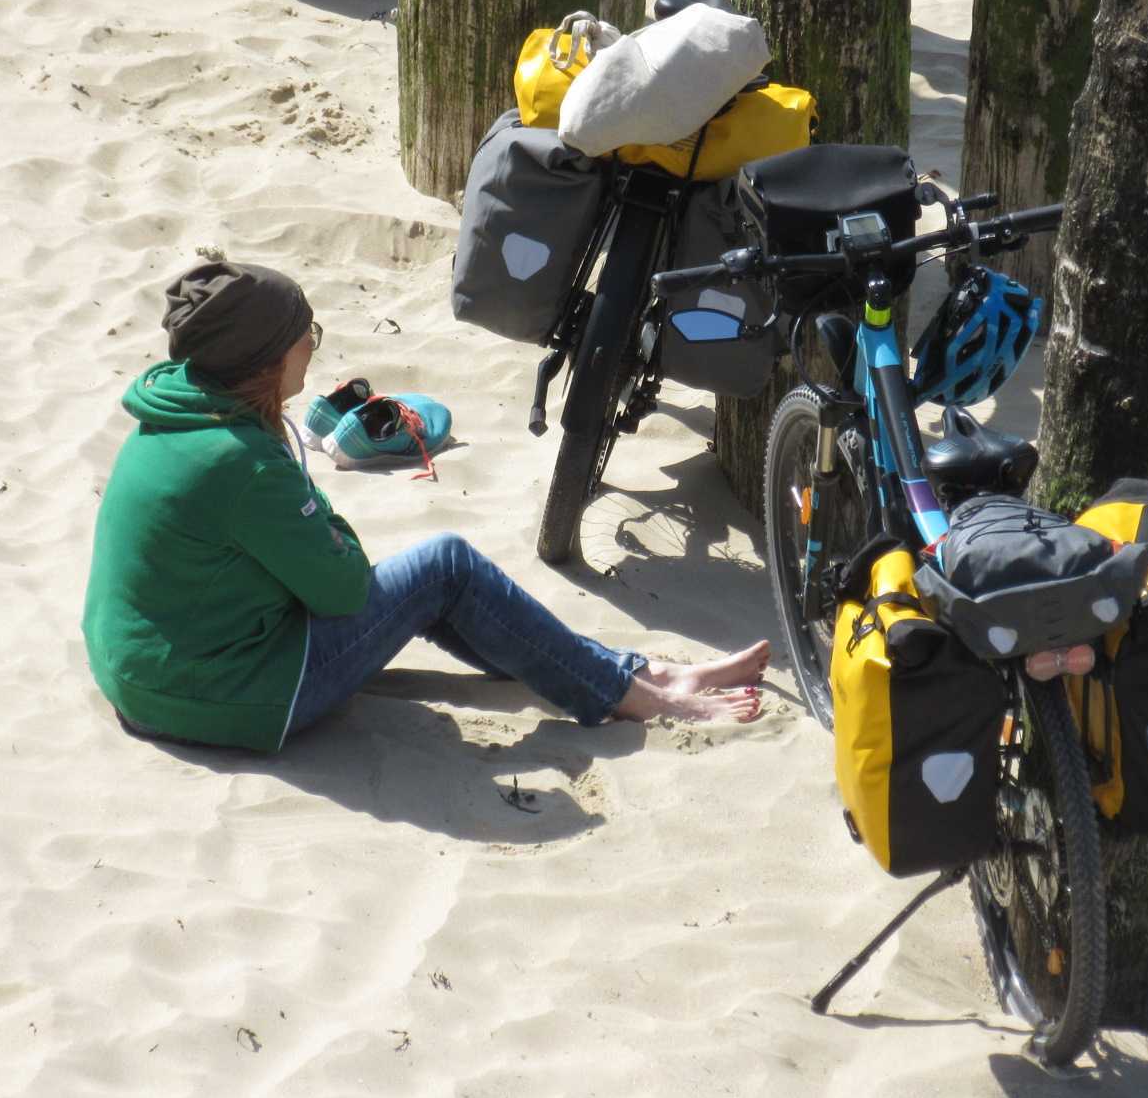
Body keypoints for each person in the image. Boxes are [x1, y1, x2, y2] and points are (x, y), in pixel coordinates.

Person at [82, 260, 767, 752]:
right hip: (231, 698)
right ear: (263, 360)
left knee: (442, 587)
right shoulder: (242, 461)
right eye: (304, 333)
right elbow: (344, 588)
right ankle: (635, 693)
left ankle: (632, 676)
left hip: (148, 675)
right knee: (445, 568)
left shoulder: (176, 409)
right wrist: (316, 507)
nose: (311, 345)